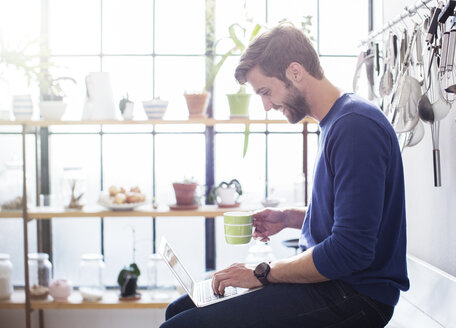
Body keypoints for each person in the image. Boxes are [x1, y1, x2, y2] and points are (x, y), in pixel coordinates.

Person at [160, 23, 409, 328]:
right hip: (335, 285)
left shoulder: (354, 127)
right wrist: (291, 217)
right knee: (179, 310)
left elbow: (350, 250)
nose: (266, 105)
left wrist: (261, 273)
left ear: (295, 71)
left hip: (356, 296)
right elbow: (355, 217)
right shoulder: (338, 121)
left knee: (179, 326)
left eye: (265, 91)